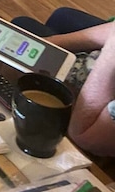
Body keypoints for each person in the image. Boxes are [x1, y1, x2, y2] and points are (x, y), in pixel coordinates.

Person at [13, 8, 115, 156]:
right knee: (61, 15)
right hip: (98, 63)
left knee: (22, 24)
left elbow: (83, 136)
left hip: (88, 110)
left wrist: (111, 50)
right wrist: (47, 45)